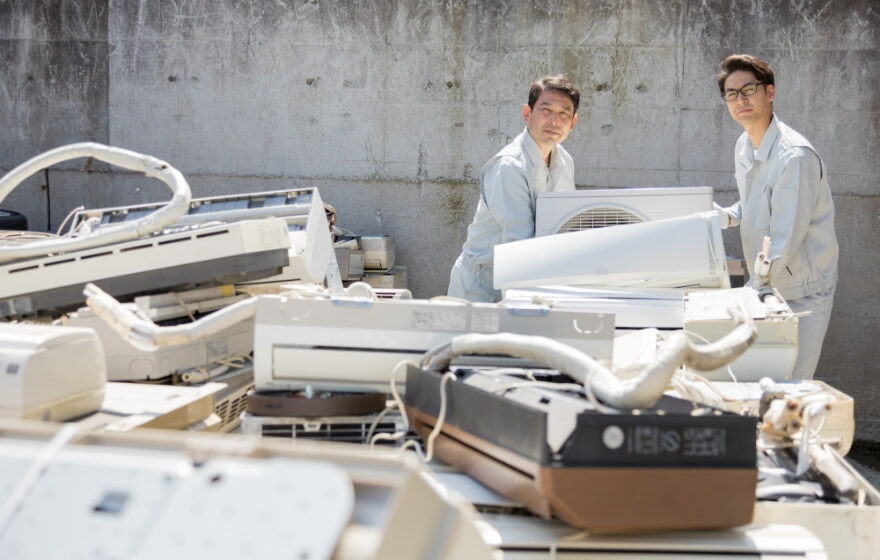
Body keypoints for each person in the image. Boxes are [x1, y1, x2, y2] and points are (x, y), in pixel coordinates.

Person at [714, 54, 838, 380]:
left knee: (789, 389)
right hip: (766, 285)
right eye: (731, 93)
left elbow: (784, 239)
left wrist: (747, 297)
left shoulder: (794, 157)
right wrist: (720, 218)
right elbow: (754, 205)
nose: (740, 99)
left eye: (749, 89)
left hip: (801, 291)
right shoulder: (744, 144)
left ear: (770, 92)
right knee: (761, 386)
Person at [447, 75, 580, 302]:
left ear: (573, 122)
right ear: (527, 114)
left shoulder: (564, 161)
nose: (554, 120)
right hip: (480, 286)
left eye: (563, 113)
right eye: (546, 110)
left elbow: (565, 225)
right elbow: (518, 245)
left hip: (526, 277)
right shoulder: (510, 166)